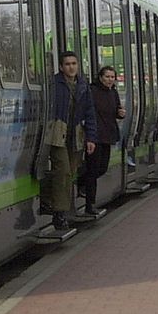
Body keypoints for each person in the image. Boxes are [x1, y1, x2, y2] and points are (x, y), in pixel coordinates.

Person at [45, 51, 97, 230]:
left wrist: (91, 137)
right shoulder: (53, 84)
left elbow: (90, 112)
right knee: (64, 171)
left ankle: (61, 207)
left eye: (74, 63)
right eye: (67, 64)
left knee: (71, 172)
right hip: (57, 132)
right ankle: (59, 212)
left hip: (76, 134)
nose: (71, 67)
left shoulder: (83, 85)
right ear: (61, 67)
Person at [86, 66, 125, 215]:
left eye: (112, 77)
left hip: (108, 135)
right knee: (93, 169)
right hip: (95, 136)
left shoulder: (113, 93)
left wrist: (121, 114)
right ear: (100, 77)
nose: (110, 80)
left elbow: (117, 111)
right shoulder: (92, 91)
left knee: (102, 168)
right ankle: (90, 204)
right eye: (107, 77)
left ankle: (82, 184)